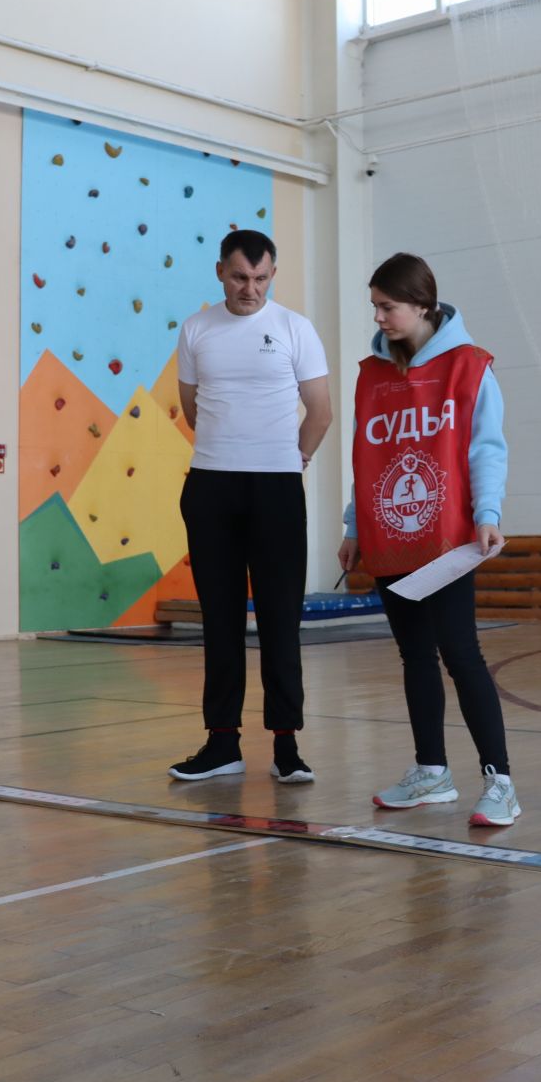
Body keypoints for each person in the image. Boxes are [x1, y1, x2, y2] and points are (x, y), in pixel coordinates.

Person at [338, 254, 521, 827]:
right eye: (375, 306)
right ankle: (431, 773)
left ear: (423, 304)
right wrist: (353, 525)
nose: (379, 316)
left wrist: (488, 512)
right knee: (413, 654)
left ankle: (501, 782)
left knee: (461, 654)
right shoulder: (373, 373)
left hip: (446, 540)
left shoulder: (470, 366)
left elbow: (487, 447)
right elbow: (369, 458)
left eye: (387, 306)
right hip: (390, 534)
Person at [170, 229, 333, 784]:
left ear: (272, 275)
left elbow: (320, 410)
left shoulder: (295, 328)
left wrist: (296, 460)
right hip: (212, 486)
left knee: (280, 619)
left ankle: (286, 746)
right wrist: (229, 448)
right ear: (220, 272)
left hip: (277, 489)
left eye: (261, 279)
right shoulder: (196, 329)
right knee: (219, 620)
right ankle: (222, 744)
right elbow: (192, 409)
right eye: (240, 278)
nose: (251, 289)